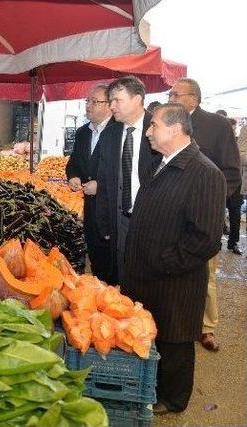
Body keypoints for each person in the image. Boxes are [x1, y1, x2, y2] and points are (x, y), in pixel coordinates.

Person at [123, 103, 225, 415]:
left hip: (174, 280)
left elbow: (205, 238)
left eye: (153, 126)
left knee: (175, 339)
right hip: (149, 274)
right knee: (155, 336)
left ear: (175, 129)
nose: (149, 132)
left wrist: (165, 263)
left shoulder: (205, 173)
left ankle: (174, 399)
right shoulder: (164, 161)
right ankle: (154, 389)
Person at [168, 78, 242, 351]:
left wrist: (212, 203)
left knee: (205, 271)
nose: (171, 97)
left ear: (193, 99)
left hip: (204, 215)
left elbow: (232, 173)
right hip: (170, 212)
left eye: (176, 94)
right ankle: (175, 319)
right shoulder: (166, 122)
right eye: (170, 93)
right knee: (173, 265)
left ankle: (207, 327)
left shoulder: (217, 125)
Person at [95, 76, 160, 284]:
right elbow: (104, 182)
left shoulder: (160, 129)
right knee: (122, 275)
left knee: (149, 278)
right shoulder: (110, 134)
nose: (112, 106)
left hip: (152, 221)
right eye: (110, 100)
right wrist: (104, 224)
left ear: (137, 99)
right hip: (119, 219)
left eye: (117, 100)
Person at [66, 84, 116, 283]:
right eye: (87, 101)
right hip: (90, 209)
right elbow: (74, 163)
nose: (89, 106)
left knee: (111, 264)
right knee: (94, 257)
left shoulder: (118, 132)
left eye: (95, 102)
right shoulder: (82, 133)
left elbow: (124, 174)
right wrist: (73, 176)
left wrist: (101, 186)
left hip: (110, 211)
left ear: (109, 105)